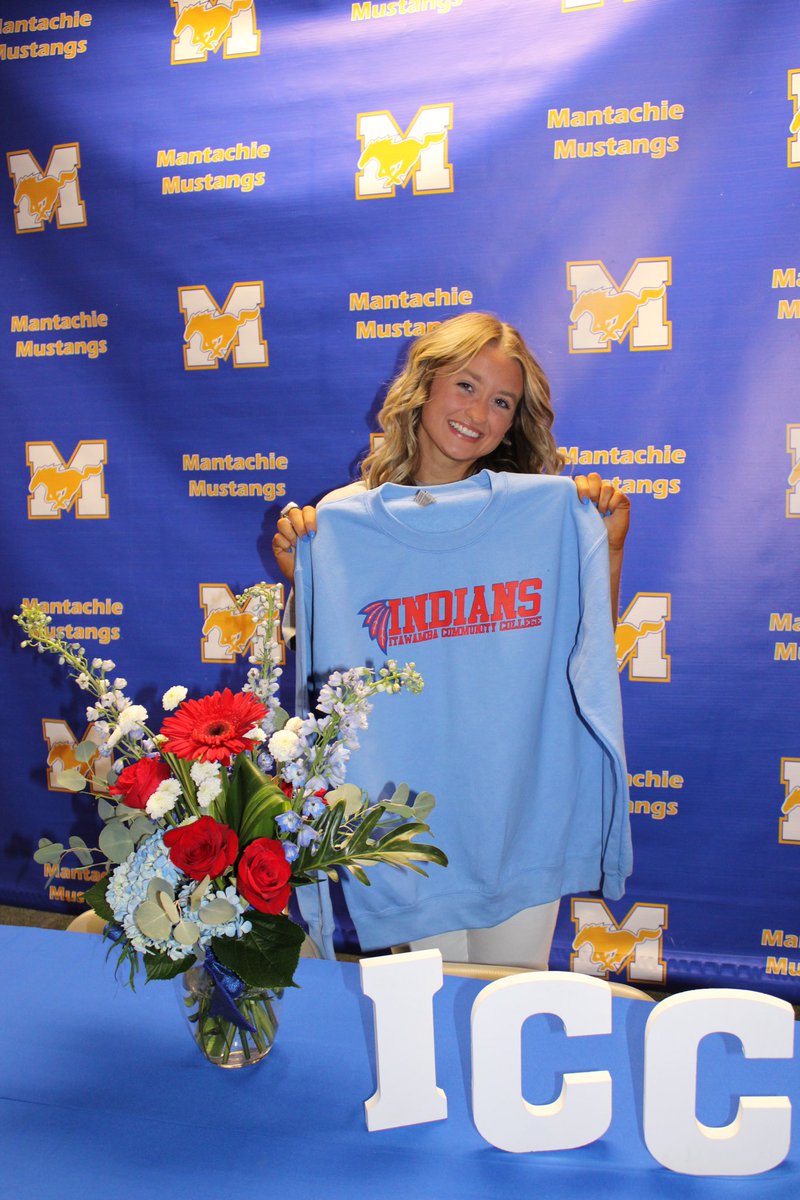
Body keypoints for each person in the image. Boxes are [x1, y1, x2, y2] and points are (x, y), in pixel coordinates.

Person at [272, 312, 631, 968]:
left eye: (501, 402)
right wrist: (311, 580)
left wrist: (604, 550)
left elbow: (591, 654)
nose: (479, 413)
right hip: (400, 828)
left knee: (508, 1008)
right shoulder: (344, 520)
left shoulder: (544, 513)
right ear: (425, 386)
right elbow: (322, 688)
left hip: (521, 813)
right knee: (426, 1023)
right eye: (466, 386)